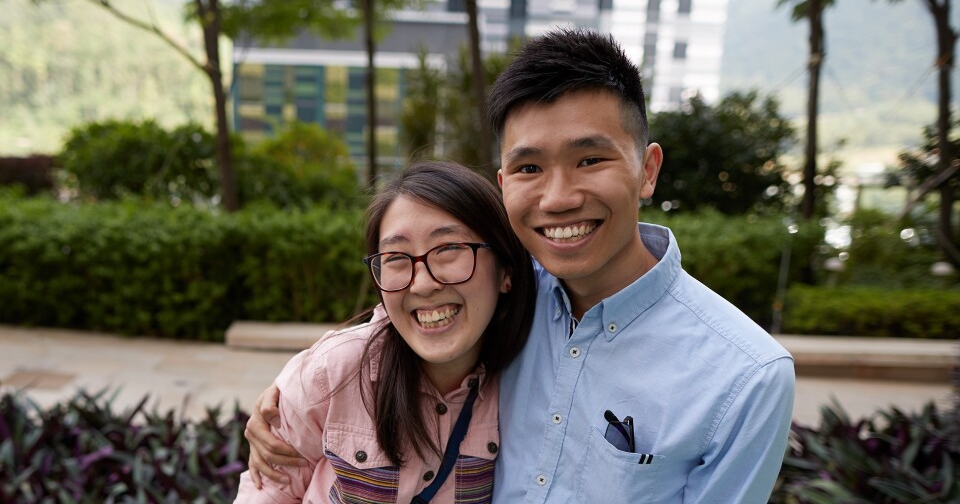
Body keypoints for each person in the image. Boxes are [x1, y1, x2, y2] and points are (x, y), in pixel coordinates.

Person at [246, 28, 796, 503]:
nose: (558, 198)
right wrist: (299, 391)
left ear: (647, 170)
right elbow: (420, 300)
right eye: (530, 167)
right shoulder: (502, 292)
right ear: (506, 185)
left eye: (590, 159)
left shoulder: (744, 378)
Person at [233, 160, 536, 503]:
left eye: (449, 249)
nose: (423, 284)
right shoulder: (334, 370)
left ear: (506, 271)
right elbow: (271, 487)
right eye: (395, 257)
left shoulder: (529, 375)